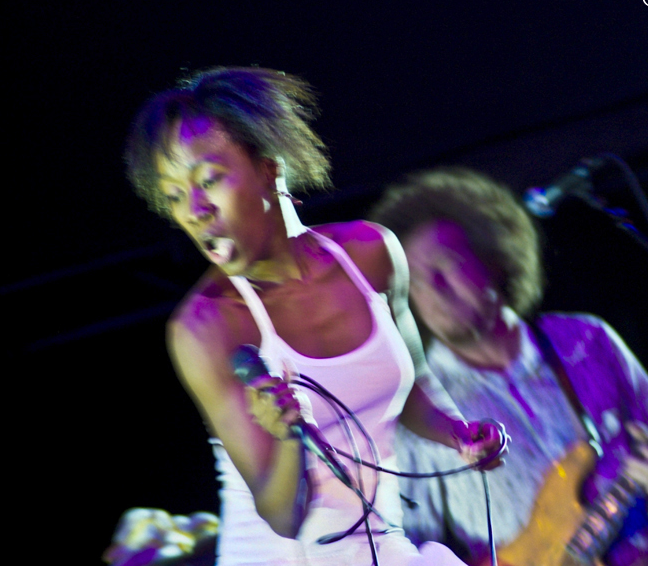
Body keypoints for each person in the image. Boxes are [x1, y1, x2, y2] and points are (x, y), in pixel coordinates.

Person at [124, 67, 503, 566]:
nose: (193, 210)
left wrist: (462, 434)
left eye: (208, 180)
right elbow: (282, 517)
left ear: (268, 167)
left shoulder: (370, 253)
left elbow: (412, 388)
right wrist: (286, 440)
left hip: (380, 547)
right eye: (174, 195)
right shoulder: (206, 328)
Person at [369, 167, 648, 566]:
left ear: (493, 257)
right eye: (417, 284)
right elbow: (402, 551)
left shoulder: (585, 341)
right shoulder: (421, 412)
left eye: (446, 267)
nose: (434, 293)